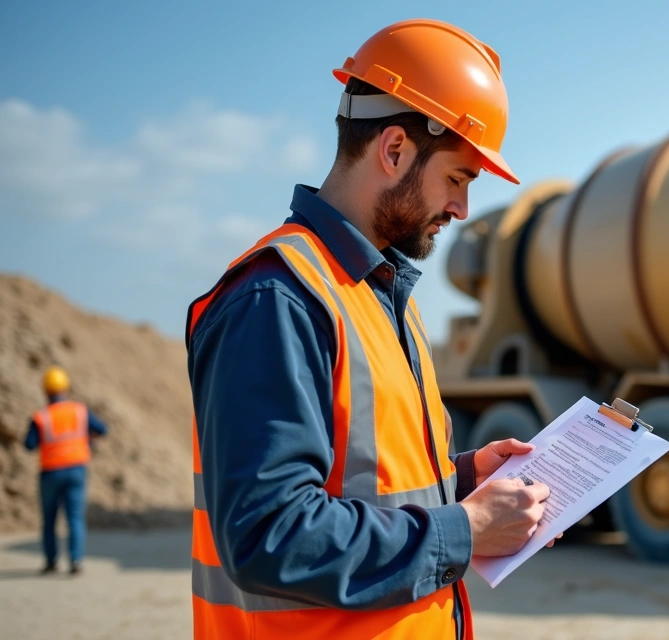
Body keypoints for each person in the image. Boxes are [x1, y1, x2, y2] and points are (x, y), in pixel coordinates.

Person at [185, 18, 556, 640]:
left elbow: (366, 480)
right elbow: (266, 534)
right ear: (393, 150)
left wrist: (463, 479)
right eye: (458, 179)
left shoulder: (384, 296)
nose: (462, 210)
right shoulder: (277, 299)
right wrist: (465, 530)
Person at [24, 365, 107, 575]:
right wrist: (87, 440)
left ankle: (51, 562)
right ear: (66, 387)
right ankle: (76, 561)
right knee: (75, 518)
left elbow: (29, 444)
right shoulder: (80, 411)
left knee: (49, 519)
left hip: (51, 473)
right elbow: (103, 429)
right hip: (77, 470)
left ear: (46, 390)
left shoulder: (41, 416)